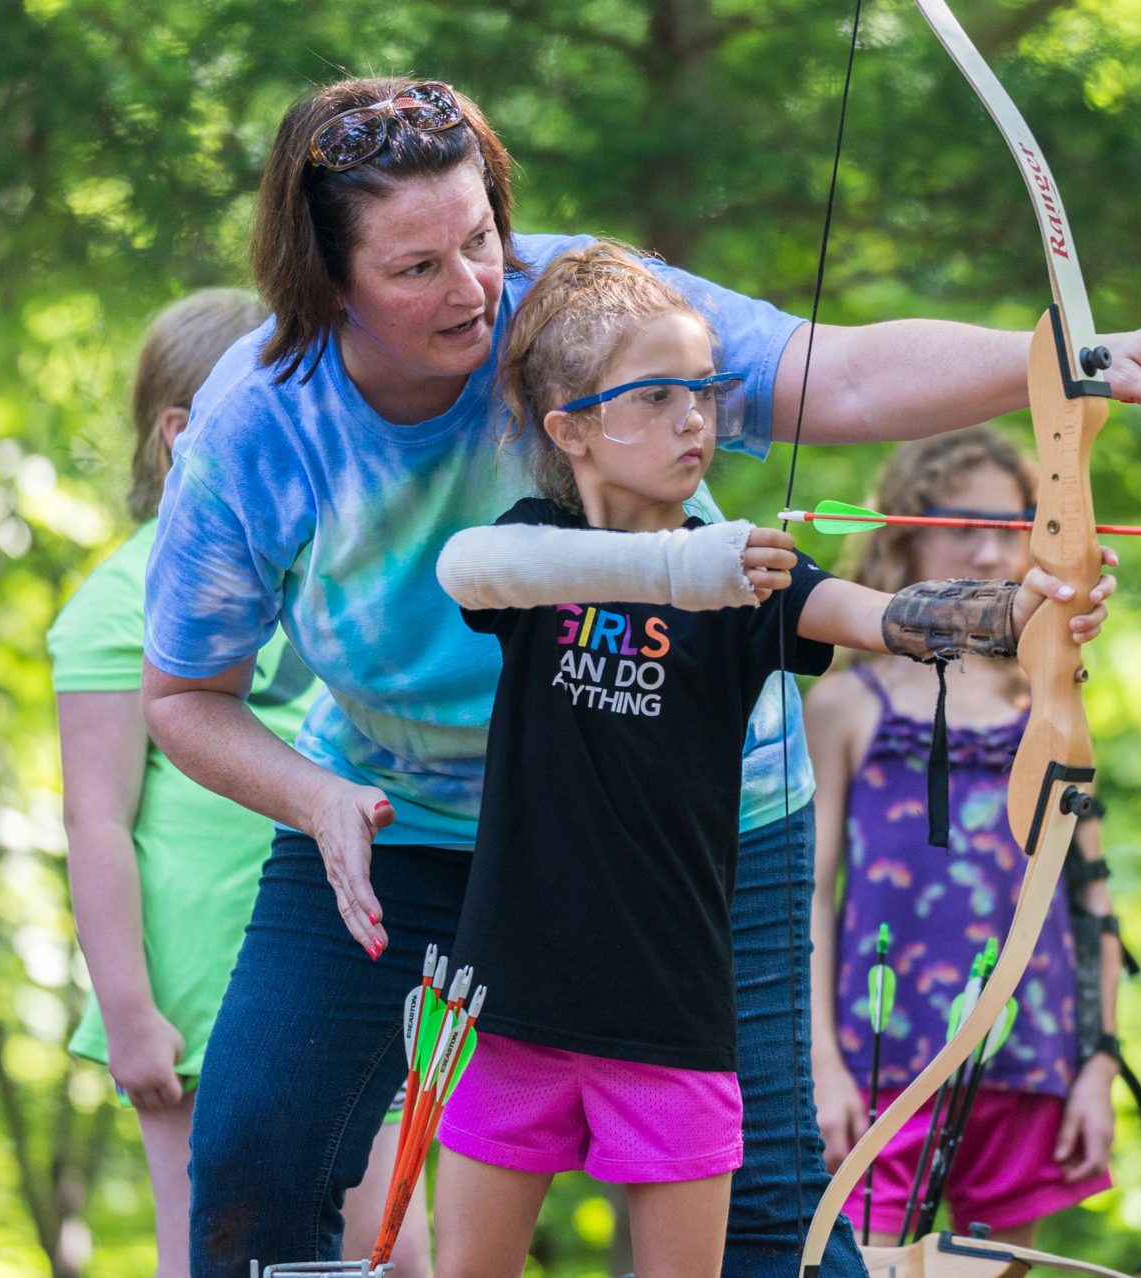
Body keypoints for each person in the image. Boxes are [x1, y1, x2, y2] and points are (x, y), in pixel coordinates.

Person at [137, 75, 1141, 1276]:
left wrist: (1064, 368)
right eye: (415, 270)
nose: (470, 288)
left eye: (480, 238)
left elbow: (844, 378)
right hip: (394, 821)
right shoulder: (260, 424)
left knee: (770, 1209)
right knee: (257, 1162)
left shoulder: (581, 310)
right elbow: (185, 695)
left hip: (691, 823)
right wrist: (315, 799)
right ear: (324, 279)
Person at [428, 241, 1085, 1278]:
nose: (696, 417)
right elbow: (470, 569)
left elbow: (894, 618)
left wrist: (1025, 609)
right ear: (574, 430)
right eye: (655, 396)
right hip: (513, 1007)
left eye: (705, 390)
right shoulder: (542, 546)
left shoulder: (753, 576)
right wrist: (683, 568)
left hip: (674, 1017)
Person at [50, 291, 429, 1277]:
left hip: (348, 966)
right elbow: (96, 821)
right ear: (184, 435)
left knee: (394, 1246)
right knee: (209, 1242)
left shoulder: (331, 569)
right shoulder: (116, 598)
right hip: (194, 997)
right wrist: (128, 1007)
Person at [807, 428, 1125, 1249]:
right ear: (906, 529)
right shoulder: (848, 706)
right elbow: (804, 892)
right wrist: (820, 1061)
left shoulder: (1049, 706)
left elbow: (1091, 899)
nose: (987, 552)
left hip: (1027, 1059)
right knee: (863, 1263)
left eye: (1009, 527)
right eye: (960, 525)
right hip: (881, 1063)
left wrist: (1099, 1061)